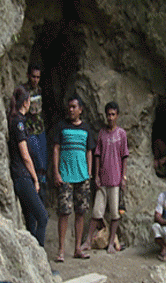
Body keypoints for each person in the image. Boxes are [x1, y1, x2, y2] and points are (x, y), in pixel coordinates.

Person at [81, 101, 129, 254]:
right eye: (108, 114)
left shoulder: (121, 134)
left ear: (117, 116)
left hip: (115, 180)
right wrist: (96, 176)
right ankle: (88, 241)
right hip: (102, 179)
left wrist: (123, 177)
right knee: (96, 212)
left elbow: (124, 157)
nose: (110, 118)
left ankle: (110, 243)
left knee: (115, 213)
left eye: (113, 114)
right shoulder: (102, 133)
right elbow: (97, 155)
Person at [52, 95, 96, 261]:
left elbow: (89, 151)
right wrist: (56, 173)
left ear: (80, 109)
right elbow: (56, 149)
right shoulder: (61, 126)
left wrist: (89, 174)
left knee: (80, 213)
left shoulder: (86, 129)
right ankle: (61, 250)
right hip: (65, 177)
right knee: (64, 213)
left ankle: (78, 248)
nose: (71, 110)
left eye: (74, 107)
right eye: (69, 107)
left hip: (82, 177)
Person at [8, 86, 48, 247]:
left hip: (22, 175)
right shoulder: (19, 123)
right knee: (42, 217)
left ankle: (36, 261)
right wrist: (35, 178)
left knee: (32, 219)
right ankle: (41, 261)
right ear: (25, 102)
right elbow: (25, 155)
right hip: (23, 176)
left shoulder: (18, 120)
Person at [23, 64, 48, 202]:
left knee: (43, 164)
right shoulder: (23, 91)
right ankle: (37, 197)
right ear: (28, 75)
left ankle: (42, 198)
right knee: (37, 163)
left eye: (38, 77)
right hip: (30, 131)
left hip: (40, 130)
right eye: (33, 76)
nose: (35, 79)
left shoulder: (39, 90)